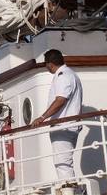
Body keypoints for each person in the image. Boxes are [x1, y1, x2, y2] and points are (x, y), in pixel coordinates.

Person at [32, 49, 83, 183]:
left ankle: (71, 192)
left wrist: (42, 117)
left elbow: (60, 100)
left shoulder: (63, 75)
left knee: (62, 163)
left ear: (49, 64)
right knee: (63, 161)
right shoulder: (69, 74)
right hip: (66, 126)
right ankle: (70, 189)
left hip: (64, 126)